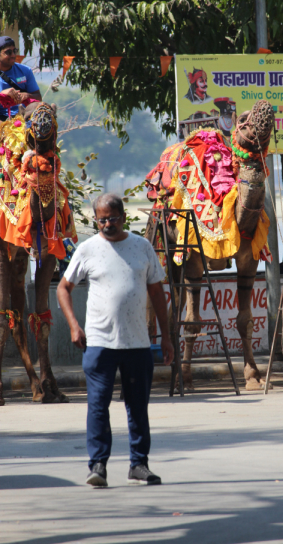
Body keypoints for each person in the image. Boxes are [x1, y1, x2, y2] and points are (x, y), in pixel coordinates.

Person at [57, 193, 174, 487]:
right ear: (96, 219)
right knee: (98, 406)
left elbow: (158, 294)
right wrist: (74, 325)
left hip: (137, 344)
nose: (107, 223)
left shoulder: (141, 246)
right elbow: (63, 288)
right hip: (98, 343)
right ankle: (98, 465)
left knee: (138, 407)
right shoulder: (88, 249)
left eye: (112, 218)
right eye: (101, 219)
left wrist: (167, 337)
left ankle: (139, 465)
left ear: (123, 217)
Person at [0, 35, 41, 120]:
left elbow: (38, 97)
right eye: (8, 52)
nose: (13, 55)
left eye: (14, 51)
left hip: (25, 117)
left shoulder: (26, 71)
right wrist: (2, 95)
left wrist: (28, 95)